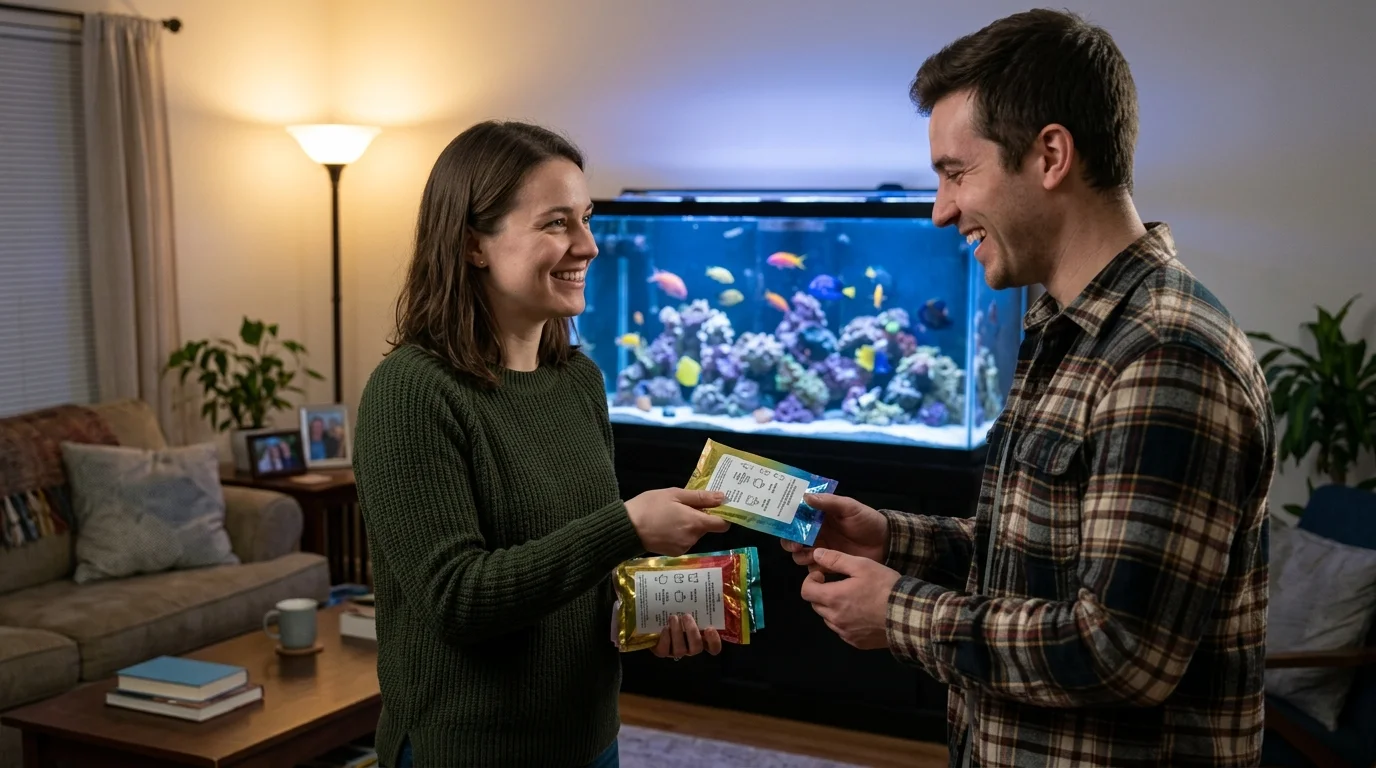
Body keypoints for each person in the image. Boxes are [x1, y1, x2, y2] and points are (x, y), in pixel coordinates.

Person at [788, 9, 1275, 767]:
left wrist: (899, 612)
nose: (941, 209)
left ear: (1050, 155)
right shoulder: (1065, 328)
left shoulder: (1164, 352)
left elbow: (1119, 650)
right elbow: (1036, 560)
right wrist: (891, 537)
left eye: (956, 173)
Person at [352, 120, 731, 768]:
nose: (588, 244)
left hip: (589, 742)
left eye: (586, 218)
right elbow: (459, 599)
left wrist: (640, 609)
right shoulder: (410, 393)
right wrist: (628, 524)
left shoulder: (577, 379)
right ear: (474, 243)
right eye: (557, 223)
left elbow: (576, 568)